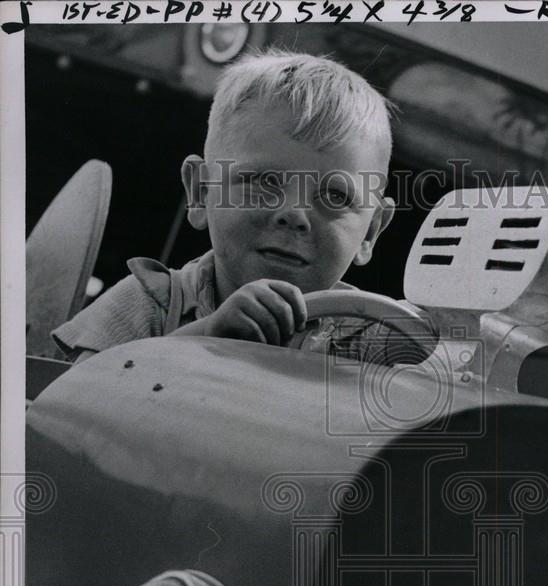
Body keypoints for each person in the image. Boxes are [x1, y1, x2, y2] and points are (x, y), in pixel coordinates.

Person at [52, 48, 427, 365]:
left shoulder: (377, 342)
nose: (294, 214)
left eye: (336, 196)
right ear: (200, 191)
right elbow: (67, 406)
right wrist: (204, 337)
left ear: (371, 231)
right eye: (264, 182)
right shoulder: (148, 303)